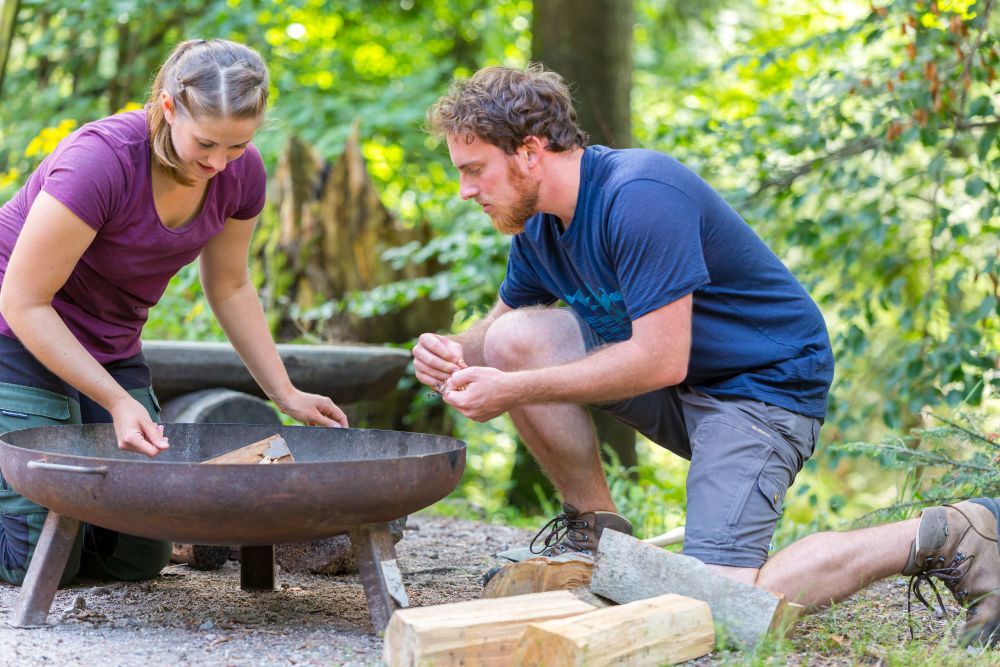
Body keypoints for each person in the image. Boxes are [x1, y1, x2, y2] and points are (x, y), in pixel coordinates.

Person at [413, 64, 999, 646]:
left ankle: (956, 532)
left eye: (474, 171)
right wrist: (448, 350)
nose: (466, 190)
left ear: (530, 151)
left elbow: (659, 360)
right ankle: (593, 540)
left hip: (760, 390)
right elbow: (495, 331)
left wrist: (510, 390)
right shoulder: (539, 226)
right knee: (513, 337)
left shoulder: (638, 194)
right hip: (680, 382)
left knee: (720, 609)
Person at [0, 39, 348, 588]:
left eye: (237, 146)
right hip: (14, 334)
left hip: (107, 345)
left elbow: (231, 285)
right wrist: (115, 401)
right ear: (167, 107)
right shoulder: (101, 160)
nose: (217, 163)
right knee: (32, 564)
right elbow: (23, 301)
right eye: (206, 142)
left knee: (137, 556)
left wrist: (285, 393)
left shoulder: (241, 173)